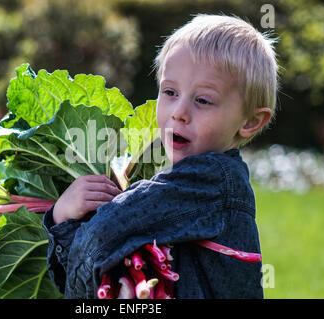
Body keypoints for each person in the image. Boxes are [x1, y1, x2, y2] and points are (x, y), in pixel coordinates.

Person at [42, 14, 279, 298]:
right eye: (169, 92)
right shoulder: (185, 186)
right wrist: (63, 221)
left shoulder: (214, 180)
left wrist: (66, 220)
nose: (179, 111)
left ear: (250, 122)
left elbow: (102, 235)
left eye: (203, 100)